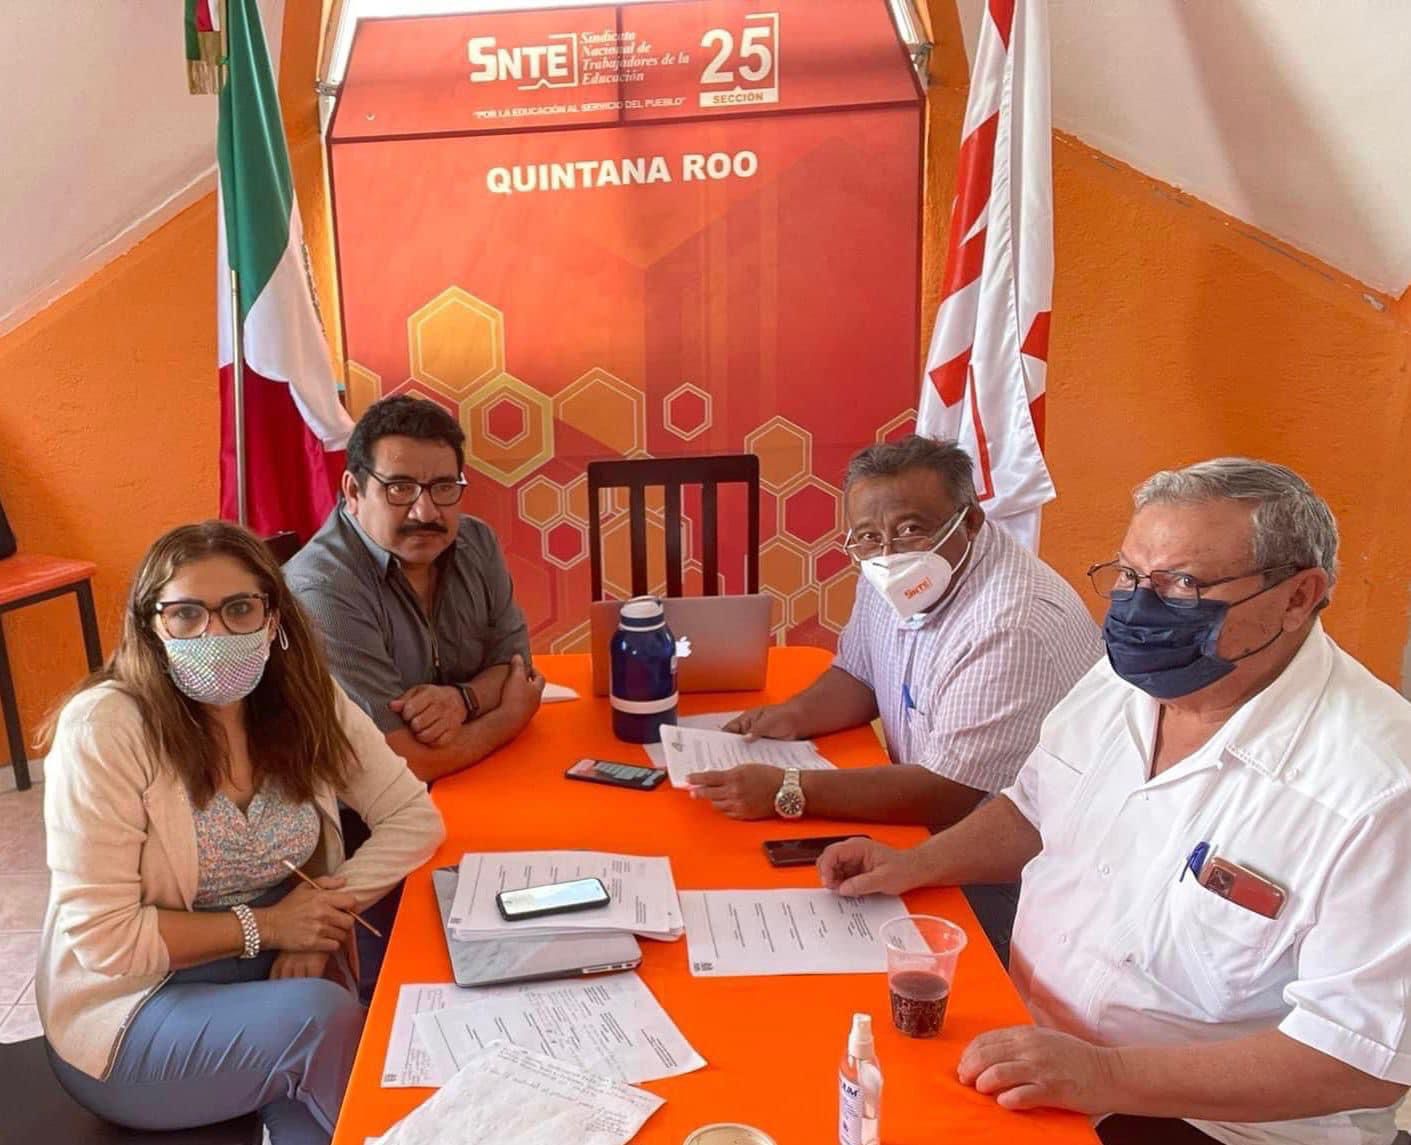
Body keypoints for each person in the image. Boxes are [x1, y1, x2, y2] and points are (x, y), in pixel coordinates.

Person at [818, 458, 1411, 1145]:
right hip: (1032, 1044)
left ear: (1297, 596)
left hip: (1213, 1123)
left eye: (1182, 584)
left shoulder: (1377, 790)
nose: (1138, 610)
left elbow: (1357, 1058)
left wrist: (1104, 1074)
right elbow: (1031, 809)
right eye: (1129, 576)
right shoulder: (1122, 681)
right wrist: (913, 863)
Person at [36, 522, 444, 1145]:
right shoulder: (104, 728)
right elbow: (104, 939)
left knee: (374, 1025)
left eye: (239, 609)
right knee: (322, 1019)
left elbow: (413, 817)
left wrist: (319, 914)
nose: (215, 634)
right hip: (132, 1012)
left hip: (266, 980)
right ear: (151, 625)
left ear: (273, 617)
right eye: (186, 614)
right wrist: (272, 926)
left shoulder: (306, 698)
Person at [688, 435, 1101, 827]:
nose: (889, 554)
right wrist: (792, 716)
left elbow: (949, 793)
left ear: (971, 521)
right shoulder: (886, 567)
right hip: (932, 814)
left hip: (1016, 854)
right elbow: (860, 675)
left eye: (911, 530)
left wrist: (789, 789)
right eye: (869, 536)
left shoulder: (1009, 627)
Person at [285, 395, 543, 786]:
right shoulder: (322, 589)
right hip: (366, 809)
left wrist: (462, 700)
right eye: (400, 488)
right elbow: (399, 761)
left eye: (443, 487)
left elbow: (518, 667)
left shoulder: (476, 541)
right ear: (354, 492)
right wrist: (508, 717)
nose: (426, 512)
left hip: (473, 776)